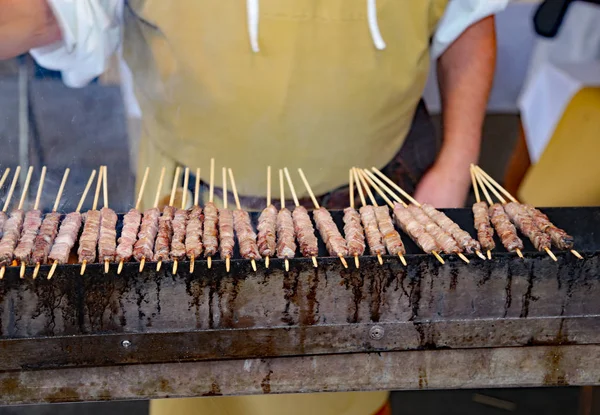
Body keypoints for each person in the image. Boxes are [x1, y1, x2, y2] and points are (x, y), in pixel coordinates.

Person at [0, 1, 507, 414]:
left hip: (367, 209)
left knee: (338, 383)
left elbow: (468, 16)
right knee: (193, 377)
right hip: (189, 205)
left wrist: (456, 164)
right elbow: (57, 11)